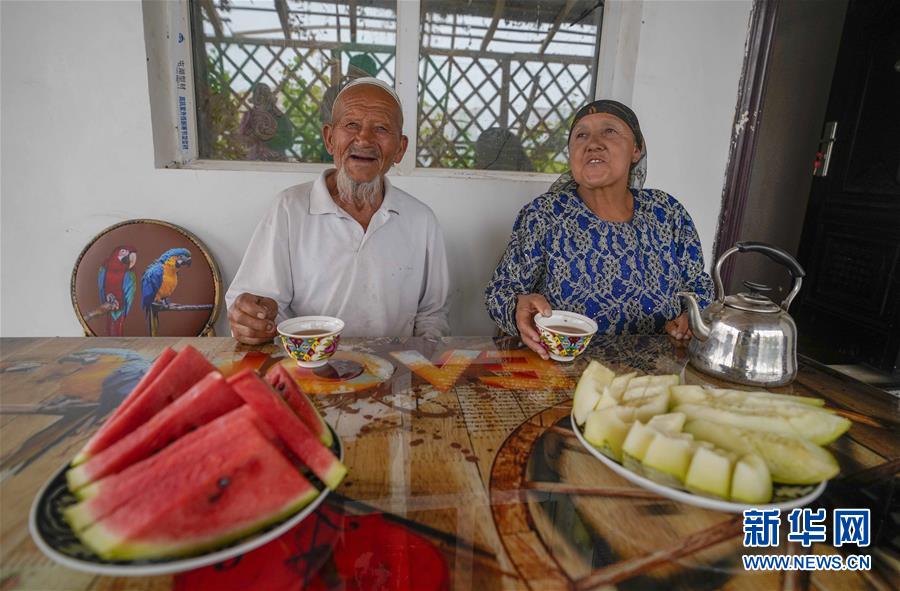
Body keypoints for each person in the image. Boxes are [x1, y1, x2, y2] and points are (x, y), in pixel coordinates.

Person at [226, 77, 450, 344]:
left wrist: (419, 364)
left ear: (400, 149)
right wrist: (250, 320)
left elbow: (432, 315)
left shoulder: (421, 220)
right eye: (351, 124)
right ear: (330, 138)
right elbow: (256, 306)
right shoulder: (289, 209)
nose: (364, 139)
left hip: (394, 373)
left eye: (381, 128)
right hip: (308, 373)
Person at [484, 99, 714, 359]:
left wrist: (689, 318)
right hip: (564, 376)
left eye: (609, 131)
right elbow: (499, 293)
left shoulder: (667, 212)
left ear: (636, 150)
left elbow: (699, 287)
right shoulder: (544, 215)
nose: (593, 142)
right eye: (581, 135)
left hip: (654, 376)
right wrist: (517, 307)